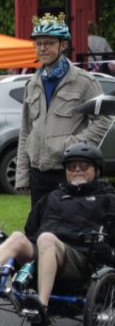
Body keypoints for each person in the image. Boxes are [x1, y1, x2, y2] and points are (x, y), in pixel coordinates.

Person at [0, 143, 115, 326]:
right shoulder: (52, 198)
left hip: (83, 260)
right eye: (72, 167)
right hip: (45, 253)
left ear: (97, 170)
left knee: (47, 239)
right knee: (17, 237)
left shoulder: (108, 199)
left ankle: (42, 307)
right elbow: (31, 231)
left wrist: (107, 252)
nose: (77, 171)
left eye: (84, 166)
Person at [17, 14, 110, 208]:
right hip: (38, 173)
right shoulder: (32, 84)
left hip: (69, 171)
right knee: (39, 230)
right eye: (38, 43)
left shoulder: (85, 82)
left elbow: (104, 118)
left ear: (63, 45)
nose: (42, 48)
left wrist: (74, 146)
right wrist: (22, 176)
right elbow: (26, 131)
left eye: (49, 43)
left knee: (68, 228)